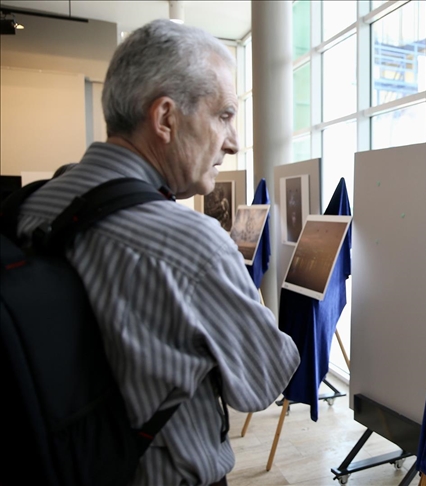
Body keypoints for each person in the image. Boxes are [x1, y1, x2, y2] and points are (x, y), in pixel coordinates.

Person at [16, 19, 300, 485]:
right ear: (165, 117)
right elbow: (265, 380)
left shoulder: (30, 205)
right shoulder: (193, 245)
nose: (232, 142)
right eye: (224, 116)